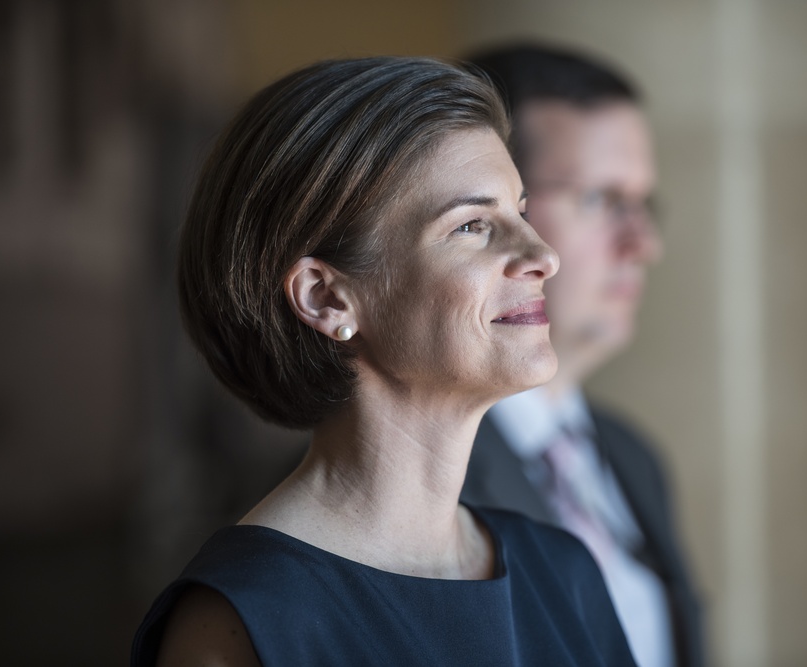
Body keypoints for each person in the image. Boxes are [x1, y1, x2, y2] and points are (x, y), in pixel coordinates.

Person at [130, 56, 637, 666]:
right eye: (473, 225)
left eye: (521, 212)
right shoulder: (248, 618)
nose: (541, 255)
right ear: (327, 297)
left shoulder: (562, 568)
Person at [460, 44, 705, 667]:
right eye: (600, 200)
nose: (642, 244)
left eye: (643, 205)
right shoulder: (419, 473)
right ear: (496, 206)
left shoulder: (632, 456)